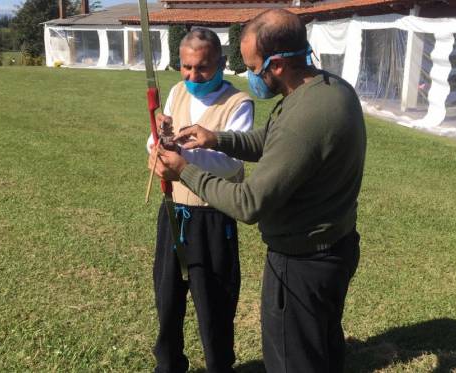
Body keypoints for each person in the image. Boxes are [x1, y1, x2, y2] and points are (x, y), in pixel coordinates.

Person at [149, 9, 366, 373]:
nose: (250, 76)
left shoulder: (305, 118)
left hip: (303, 262)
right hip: (334, 247)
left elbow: (249, 203)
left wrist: (184, 170)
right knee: (322, 350)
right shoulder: (327, 89)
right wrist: (217, 138)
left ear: (277, 64)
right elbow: (269, 140)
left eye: (253, 68)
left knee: (291, 360)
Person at [147, 28, 254, 373]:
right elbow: (153, 146)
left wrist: (183, 158)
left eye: (202, 68)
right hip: (173, 211)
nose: (193, 75)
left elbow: (232, 163)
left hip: (212, 216)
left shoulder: (238, 104)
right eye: (186, 67)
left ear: (221, 63)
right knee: (167, 299)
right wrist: (158, 139)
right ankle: (168, 365)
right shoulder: (177, 92)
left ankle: (219, 366)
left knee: (214, 304)